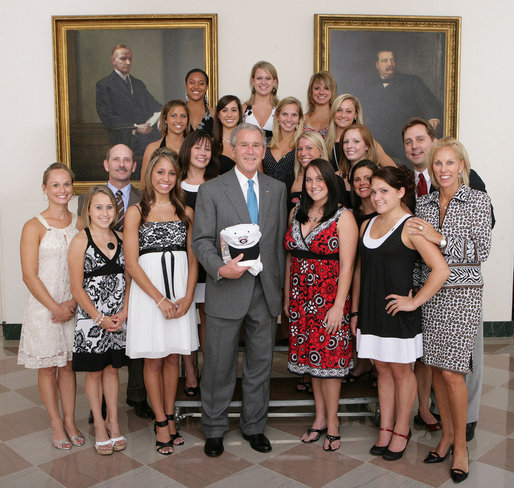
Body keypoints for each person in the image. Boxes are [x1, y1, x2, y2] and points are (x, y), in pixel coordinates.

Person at [192, 123, 287, 457]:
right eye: (243, 145)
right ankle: (215, 429)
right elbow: (200, 241)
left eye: (256, 145)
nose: (250, 151)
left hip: (265, 293)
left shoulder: (277, 188)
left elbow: (278, 245)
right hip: (226, 290)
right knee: (218, 364)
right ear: (232, 149)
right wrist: (219, 267)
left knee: (260, 365)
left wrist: (282, 294)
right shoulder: (212, 190)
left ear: (263, 150)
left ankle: (254, 427)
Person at [402, 118, 495, 439]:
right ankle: (445, 439)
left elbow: (480, 250)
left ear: (462, 166)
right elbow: (419, 255)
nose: (443, 168)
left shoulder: (477, 199)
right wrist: (415, 289)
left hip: (462, 298)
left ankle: (461, 438)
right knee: (438, 373)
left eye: (449, 163)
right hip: (431, 298)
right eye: (438, 163)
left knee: (455, 373)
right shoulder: (424, 204)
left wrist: (440, 239)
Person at [352, 166, 449, 461]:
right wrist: (356, 310)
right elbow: (359, 271)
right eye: (374, 190)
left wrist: (414, 302)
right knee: (381, 369)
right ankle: (385, 428)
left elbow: (440, 269)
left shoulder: (411, 226)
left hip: (398, 313)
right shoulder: (366, 224)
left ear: (400, 193)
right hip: (371, 311)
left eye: (384, 191)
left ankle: (402, 429)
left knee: (401, 372)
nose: (377, 196)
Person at [125, 147, 199, 455]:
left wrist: (187, 297)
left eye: (171, 173)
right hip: (150, 297)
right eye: (160, 172)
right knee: (154, 358)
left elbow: (194, 261)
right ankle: (159, 422)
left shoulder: (186, 212)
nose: (165, 178)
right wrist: (160, 300)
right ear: (149, 175)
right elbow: (131, 262)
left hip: (181, 295)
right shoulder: (136, 212)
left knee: (174, 357)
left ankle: (170, 416)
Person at [284, 159, 358, 451]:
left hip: (329, 300)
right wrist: (287, 298)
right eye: (309, 179)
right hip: (301, 300)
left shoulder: (344, 217)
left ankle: (334, 422)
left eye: (320, 179)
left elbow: (349, 265)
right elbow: (291, 256)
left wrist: (339, 305)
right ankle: (319, 419)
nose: (314, 185)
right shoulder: (297, 212)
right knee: (312, 364)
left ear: (330, 182)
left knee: (330, 364)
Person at [77, 144, 153, 420]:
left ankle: (137, 395)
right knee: (101, 354)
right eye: (116, 159)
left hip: (132, 277)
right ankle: (102, 407)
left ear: (134, 166)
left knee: (134, 339)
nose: (122, 164)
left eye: (127, 160)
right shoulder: (87, 199)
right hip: (98, 285)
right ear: (106, 164)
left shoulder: (145, 198)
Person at [18, 163, 83, 450]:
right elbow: (29, 275)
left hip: (73, 305)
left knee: (68, 365)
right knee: (48, 367)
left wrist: (71, 303)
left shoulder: (80, 223)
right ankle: (55, 422)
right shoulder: (33, 226)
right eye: (55, 185)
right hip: (44, 308)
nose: (61, 190)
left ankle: (70, 420)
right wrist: (55, 307)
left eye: (66, 184)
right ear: (45, 189)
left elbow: (86, 268)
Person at [69, 186, 130, 455]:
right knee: (94, 371)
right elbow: (76, 288)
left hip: (118, 317)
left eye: (109, 207)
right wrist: (99, 318)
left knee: (113, 370)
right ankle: (100, 427)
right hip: (92, 320)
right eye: (98, 207)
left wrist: (124, 313)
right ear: (88, 211)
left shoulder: (121, 237)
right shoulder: (80, 240)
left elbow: (129, 280)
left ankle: (114, 422)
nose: (104, 212)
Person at [179, 130, 219, 396]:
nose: (203, 153)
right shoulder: (175, 184)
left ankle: (207, 368)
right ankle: (189, 369)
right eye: (198, 148)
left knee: (206, 316)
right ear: (188, 151)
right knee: (182, 318)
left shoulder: (216, 184)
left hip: (206, 259)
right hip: (179, 260)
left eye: (207, 149)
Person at [357, 50, 443, 163]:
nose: (390, 63)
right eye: (385, 61)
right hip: (378, 143)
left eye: (392, 60)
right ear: (377, 64)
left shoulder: (412, 82)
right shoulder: (368, 88)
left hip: (405, 143)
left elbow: (427, 102)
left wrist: (433, 117)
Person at [96, 45, 162, 161]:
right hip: (124, 137)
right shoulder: (104, 85)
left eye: (130, 59)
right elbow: (108, 118)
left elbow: (155, 105)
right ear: (113, 61)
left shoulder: (138, 84)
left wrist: (162, 116)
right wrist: (135, 127)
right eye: (123, 58)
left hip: (147, 135)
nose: (127, 62)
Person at [325, 94, 394, 171]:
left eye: (348, 111)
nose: (343, 115)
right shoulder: (325, 144)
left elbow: (393, 170)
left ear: (356, 115)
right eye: (339, 110)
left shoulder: (366, 141)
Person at [140, 100, 189, 185]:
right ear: (165, 119)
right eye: (173, 116)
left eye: (183, 116)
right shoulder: (152, 148)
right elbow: (144, 184)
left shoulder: (194, 147)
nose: (179, 120)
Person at [338, 124, 396, 191]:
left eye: (356, 141)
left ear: (367, 146)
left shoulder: (381, 175)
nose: (349, 146)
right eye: (346, 142)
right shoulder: (337, 177)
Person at [262, 97, 303, 183]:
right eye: (285, 114)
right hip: (266, 194)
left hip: (291, 195)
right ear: (277, 116)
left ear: (299, 119)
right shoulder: (265, 142)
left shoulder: (303, 145)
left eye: (294, 115)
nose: (289, 119)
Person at [242, 61, 279, 142]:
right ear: (253, 81)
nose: (263, 82)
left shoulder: (281, 109)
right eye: (259, 78)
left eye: (268, 78)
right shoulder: (243, 109)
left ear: (274, 81)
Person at [212, 95, 243, 174]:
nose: (229, 115)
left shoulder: (249, 141)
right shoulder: (210, 143)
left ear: (239, 114)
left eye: (234, 110)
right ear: (218, 115)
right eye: (225, 110)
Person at [303, 71, 337, 139]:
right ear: (311, 91)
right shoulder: (302, 119)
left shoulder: (338, 118)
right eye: (317, 88)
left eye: (326, 88)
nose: (321, 92)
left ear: (332, 91)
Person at [185, 68, 214, 134]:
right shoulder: (177, 114)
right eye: (192, 82)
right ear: (186, 86)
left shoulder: (214, 115)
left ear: (207, 87)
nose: (196, 87)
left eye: (201, 83)